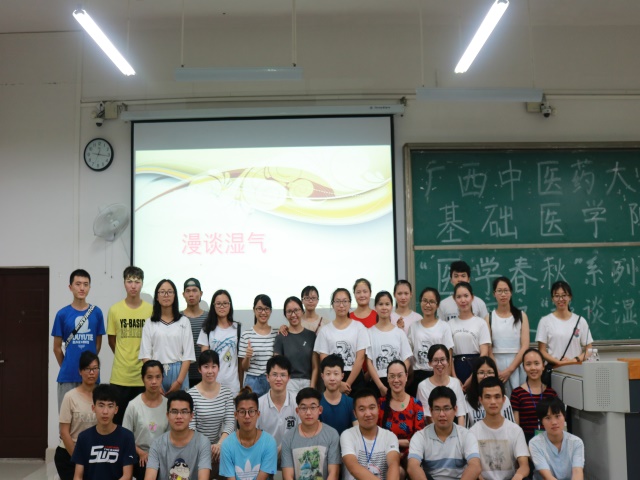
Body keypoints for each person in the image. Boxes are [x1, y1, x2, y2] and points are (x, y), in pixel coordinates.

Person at [52, 269, 105, 412]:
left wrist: (88, 366)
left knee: (92, 417)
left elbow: (97, 345)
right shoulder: (62, 314)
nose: (82, 288)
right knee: (67, 418)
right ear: (70, 287)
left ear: (89, 287)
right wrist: (68, 364)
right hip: (67, 377)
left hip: (91, 377)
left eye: (86, 284)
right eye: (78, 284)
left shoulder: (97, 313)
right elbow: (56, 348)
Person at [108, 266, 153, 425]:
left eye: (137, 281)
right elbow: (112, 340)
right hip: (120, 377)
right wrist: (123, 356)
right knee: (118, 423)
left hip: (143, 377)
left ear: (142, 284)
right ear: (124, 283)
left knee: (143, 424)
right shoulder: (114, 310)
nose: (133, 286)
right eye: (129, 281)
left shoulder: (150, 310)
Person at [407, 386, 481, 480]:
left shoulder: (466, 435)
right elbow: (412, 466)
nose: (442, 414)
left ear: (455, 410)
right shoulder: (420, 436)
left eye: (446, 408)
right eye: (437, 409)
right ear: (430, 411)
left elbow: (475, 465)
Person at [139, 279, 196, 393]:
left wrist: (179, 382)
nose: (166, 295)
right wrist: (155, 379)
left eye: (170, 292)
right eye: (162, 292)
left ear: (175, 296)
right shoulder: (149, 323)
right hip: (156, 372)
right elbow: (146, 355)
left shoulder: (184, 321)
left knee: (180, 404)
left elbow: (188, 356)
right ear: (157, 296)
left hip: (179, 372)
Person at [469, 377, 529, 480]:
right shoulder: (473, 432)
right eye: (488, 397)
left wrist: (518, 476)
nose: (493, 402)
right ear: (481, 400)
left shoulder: (515, 430)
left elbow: (524, 466)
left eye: (497, 397)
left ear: (503, 399)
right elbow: (473, 465)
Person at [71, 384, 136, 480]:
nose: (105, 411)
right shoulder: (83, 437)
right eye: (101, 405)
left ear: (116, 409)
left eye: (110, 406)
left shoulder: (127, 437)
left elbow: (127, 476)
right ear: (93, 408)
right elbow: (78, 476)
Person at [188, 350, 235, 476]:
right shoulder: (191, 395)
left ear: (218, 368)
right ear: (199, 369)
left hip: (221, 446)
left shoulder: (226, 393)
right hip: (197, 447)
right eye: (206, 367)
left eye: (214, 366)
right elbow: (191, 427)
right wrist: (206, 448)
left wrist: (219, 444)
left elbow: (230, 423)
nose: (210, 371)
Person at [314, 288, 370, 395]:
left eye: (345, 301)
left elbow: (360, 358)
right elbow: (324, 359)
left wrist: (347, 384)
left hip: (355, 377)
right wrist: (338, 384)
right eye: (337, 301)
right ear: (332, 304)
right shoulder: (325, 331)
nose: (341, 305)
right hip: (332, 378)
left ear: (350, 304)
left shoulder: (359, 327)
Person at [145, 390, 211, 480]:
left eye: (184, 412)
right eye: (174, 411)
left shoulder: (202, 443)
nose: (179, 416)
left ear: (191, 416)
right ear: (167, 415)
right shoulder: (157, 444)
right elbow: (150, 477)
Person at [55, 351, 100, 480]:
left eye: (95, 368)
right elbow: (64, 432)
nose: (91, 373)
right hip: (70, 453)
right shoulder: (70, 396)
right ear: (80, 371)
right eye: (87, 369)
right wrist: (79, 459)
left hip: (95, 454)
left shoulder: (102, 396)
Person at [123, 360, 169, 480]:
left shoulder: (169, 405)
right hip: (140, 456)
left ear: (162, 378)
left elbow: (172, 436)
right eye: (149, 377)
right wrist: (141, 452)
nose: (154, 381)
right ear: (143, 379)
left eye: (158, 377)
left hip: (163, 455)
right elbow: (125, 438)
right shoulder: (133, 405)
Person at [281, 388, 341, 480]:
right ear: (297, 411)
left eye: (313, 407)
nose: (308, 413)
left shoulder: (331, 434)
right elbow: (287, 476)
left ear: (320, 410)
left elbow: (334, 473)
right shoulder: (288, 437)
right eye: (303, 408)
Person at [340, 388, 401, 480]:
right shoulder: (347, 435)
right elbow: (353, 467)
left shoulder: (390, 436)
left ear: (378, 409)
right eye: (362, 409)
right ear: (355, 413)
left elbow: (393, 465)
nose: (368, 414)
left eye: (372, 408)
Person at [219, 387, 278, 480]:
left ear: (258, 414)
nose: (247, 416)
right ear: (236, 415)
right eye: (242, 412)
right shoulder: (227, 444)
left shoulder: (269, 442)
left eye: (251, 411)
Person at [378, 360, 425, 474]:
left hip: (410, 453)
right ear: (387, 378)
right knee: (397, 472)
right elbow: (376, 435)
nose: (396, 380)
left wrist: (396, 443)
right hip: (385, 452)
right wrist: (396, 444)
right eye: (392, 376)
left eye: (399, 376)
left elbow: (419, 438)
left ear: (406, 376)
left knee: (415, 468)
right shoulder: (380, 404)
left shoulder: (416, 404)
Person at [406, 287, 454, 397]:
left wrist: (447, 378)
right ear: (420, 302)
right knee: (419, 407)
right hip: (418, 375)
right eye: (425, 301)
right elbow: (409, 354)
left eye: (432, 302)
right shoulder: (413, 327)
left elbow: (449, 355)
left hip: (439, 373)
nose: (428, 305)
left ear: (437, 305)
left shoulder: (444, 326)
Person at [487, 276, 530, 397]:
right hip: (496, 365)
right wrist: (497, 370)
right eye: (499, 291)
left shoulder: (521, 316)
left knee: (518, 399)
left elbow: (525, 346)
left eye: (506, 291)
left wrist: (510, 369)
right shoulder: (489, 318)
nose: (503, 294)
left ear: (511, 293)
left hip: (517, 364)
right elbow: (488, 347)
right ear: (494, 294)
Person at [536, 281, 593, 366]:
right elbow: (542, 350)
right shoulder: (545, 321)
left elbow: (589, 349)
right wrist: (558, 362)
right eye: (557, 296)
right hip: (555, 368)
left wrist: (574, 360)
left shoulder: (580, 321)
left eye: (564, 295)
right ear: (552, 298)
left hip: (576, 368)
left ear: (570, 297)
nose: (561, 299)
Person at [367, 291, 412, 396]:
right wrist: (380, 386)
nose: (384, 307)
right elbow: (369, 362)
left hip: (397, 382)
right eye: (380, 304)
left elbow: (407, 359)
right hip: (377, 382)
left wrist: (400, 378)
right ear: (375, 307)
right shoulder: (369, 333)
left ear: (392, 307)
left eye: (387, 304)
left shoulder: (399, 333)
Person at [198, 289, 241, 396]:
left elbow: (240, 361)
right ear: (213, 306)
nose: (222, 306)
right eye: (218, 304)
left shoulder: (237, 328)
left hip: (233, 384)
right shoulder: (207, 329)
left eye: (225, 303)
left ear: (230, 305)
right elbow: (204, 360)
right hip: (212, 384)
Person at [529, 398, 585, 480]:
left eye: (557, 416)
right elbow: (547, 476)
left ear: (564, 417)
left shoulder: (576, 442)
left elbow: (577, 472)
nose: (554, 422)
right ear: (541, 421)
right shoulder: (535, 443)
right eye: (548, 418)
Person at [256, 355, 300, 460]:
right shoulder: (258, 404)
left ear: (289, 378)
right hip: (264, 457)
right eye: (274, 375)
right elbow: (253, 436)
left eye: (283, 375)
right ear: (267, 377)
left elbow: (303, 433)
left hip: (292, 456)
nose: (279, 379)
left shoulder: (298, 402)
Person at [510, 348, 558, 443]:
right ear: (523, 367)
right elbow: (515, 427)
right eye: (528, 364)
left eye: (536, 363)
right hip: (525, 443)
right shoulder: (517, 393)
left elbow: (556, 422)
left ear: (543, 366)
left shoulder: (551, 393)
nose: (533, 368)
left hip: (548, 442)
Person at [449, 282, 491, 386]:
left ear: (472, 297)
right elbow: (449, 355)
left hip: (476, 368)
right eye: (459, 297)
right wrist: (454, 378)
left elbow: (484, 353)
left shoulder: (481, 323)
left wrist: (473, 376)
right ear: (454, 299)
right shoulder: (449, 324)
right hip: (456, 368)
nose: (463, 300)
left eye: (466, 296)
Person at [274, 296, 318, 394]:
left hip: (307, 382)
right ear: (285, 314)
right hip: (288, 383)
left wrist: (312, 387)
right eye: (289, 311)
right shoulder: (281, 337)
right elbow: (277, 366)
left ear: (302, 311)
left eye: (296, 310)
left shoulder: (311, 336)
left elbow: (315, 367)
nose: (293, 315)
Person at [238, 294, 278, 397]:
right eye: (259, 309)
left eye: (266, 309)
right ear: (254, 310)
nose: (263, 312)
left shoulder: (276, 334)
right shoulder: (246, 335)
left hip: (271, 380)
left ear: (271, 311)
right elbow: (244, 367)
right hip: (252, 381)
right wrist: (248, 357)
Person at [416, 344, 466, 425]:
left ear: (448, 361)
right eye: (435, 360)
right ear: (430, 363)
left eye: (442, 359)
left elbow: (461, 414)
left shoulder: (455, 383)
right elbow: (428, 417)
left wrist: (461, 431)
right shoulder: (422, 386)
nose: (439, 364)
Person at [464, 356, 515, 429]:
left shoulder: (504, 399)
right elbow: (465, 429)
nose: (485, 376)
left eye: (489, 372)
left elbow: (511, 427)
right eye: (481, 372)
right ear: (475, 375)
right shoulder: (467, 399)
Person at [318, 354, 357, 435]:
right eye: (328, 374)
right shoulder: (317, 403)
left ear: (342, 376)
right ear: (322, 376)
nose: (332, 378)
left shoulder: (350, 403)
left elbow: (357, 431)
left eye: (336, 374)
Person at [182, 277, 208, 388]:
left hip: (205, 375)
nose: (191, 294)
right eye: (188, 291)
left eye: (194, 291)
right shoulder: (178, 318)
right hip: (183, 376)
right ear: (183, 295)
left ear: (201, 293)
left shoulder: (209, 318)